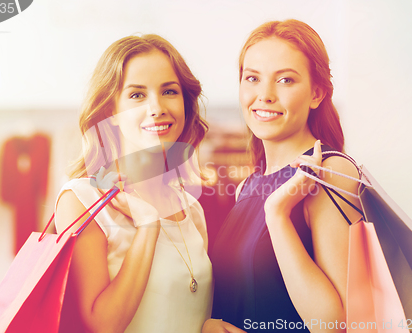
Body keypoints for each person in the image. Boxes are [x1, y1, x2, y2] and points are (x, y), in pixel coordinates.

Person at [203, 20, 363, 333]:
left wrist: (277, 215)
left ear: (316, 94)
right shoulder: (249, 185)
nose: (265, 95)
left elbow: (334, 325)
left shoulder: (328, 172)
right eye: (252, 78)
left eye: (286, 80)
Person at [54, 34, 212, 333]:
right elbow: (104, 324)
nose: (157, 107)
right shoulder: (82, 199)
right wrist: (148, 226)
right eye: (137, 95)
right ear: (111, 112)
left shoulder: (192, 209)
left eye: (169, 91)